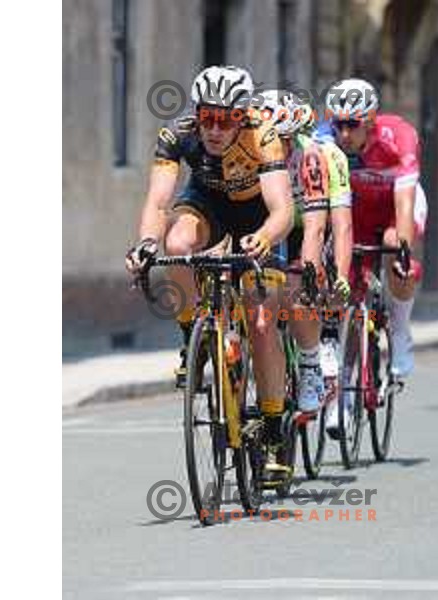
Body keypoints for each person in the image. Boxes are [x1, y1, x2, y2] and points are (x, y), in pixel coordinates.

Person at [125, 66, 294, 462]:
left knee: (261, 320)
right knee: (177, 241)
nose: (215, 129)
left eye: (227, 119)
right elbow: (158, 201)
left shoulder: (263, 135)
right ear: (197, 114)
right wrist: (146, 244)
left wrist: (265, 237)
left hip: (257, 216)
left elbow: (282, 209)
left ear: (243, 115)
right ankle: (193, 338)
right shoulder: (177, 135)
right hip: (206, 205)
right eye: (207, 118)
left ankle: (272, 428)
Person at [321, 78, 428, 434]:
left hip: (393, 209)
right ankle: (343, 396)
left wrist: (402, 250)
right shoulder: (325, 139)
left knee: (398, 252)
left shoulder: (399, 136)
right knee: (349, 296)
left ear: (371, 120)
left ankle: (400, 334)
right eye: (338, 123)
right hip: (355, 214)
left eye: (352, 124)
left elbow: (405, 201)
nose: (344, 132)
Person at [256, 90, 353, 413]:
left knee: (298, 286)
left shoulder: (313, 157)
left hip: (310, 218)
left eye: (283, 141)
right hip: (273, 218)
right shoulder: (251, 151)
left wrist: (311, 275)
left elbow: (322, 228)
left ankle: (310, 363)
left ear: (295, 137)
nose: (275, 148)